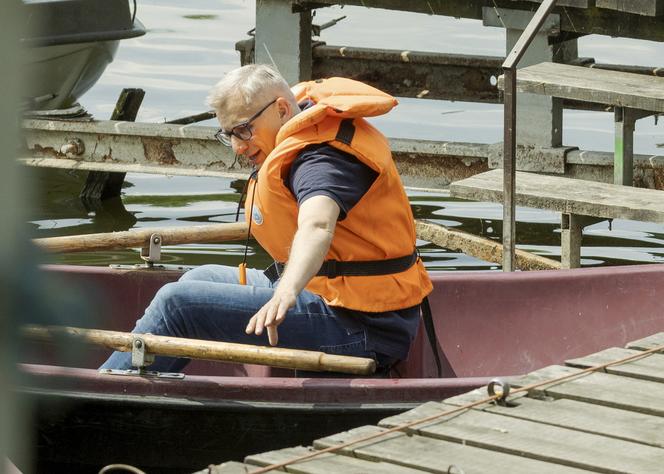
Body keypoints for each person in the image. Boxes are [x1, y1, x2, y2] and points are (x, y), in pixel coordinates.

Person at [101, 64, 432, 375]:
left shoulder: (323, 160)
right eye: (227, 133)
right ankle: (136, 385)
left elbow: (317, 226)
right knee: (195, 280)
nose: (236, 147)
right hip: (334, 298)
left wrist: (286, 290)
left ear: (283, 110)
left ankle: (108, 389)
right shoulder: (301, 136)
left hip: (364, 328)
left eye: (243, 130)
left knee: (178, 306)